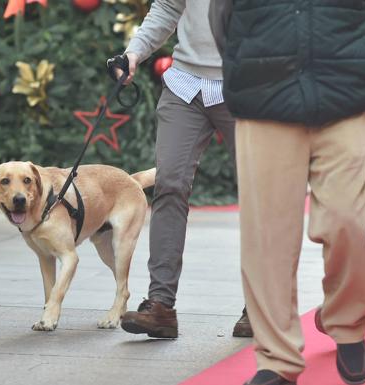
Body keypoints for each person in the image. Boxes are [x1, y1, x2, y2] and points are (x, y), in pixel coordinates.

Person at [210, 1, 365, 384]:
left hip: (347, 92)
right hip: (264, 95)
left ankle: (346, 321)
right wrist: (255, 59)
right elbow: (222, 19)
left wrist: (359, 61)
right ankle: (277, 359)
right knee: (268, 238)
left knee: (347, 217)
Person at [114, 0, 252, 339]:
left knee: (260, 195)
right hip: (185, 84)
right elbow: (168, 6)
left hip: (247, 86)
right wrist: (134, 53)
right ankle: (160, 306)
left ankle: (262, 303)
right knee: (169, 185)